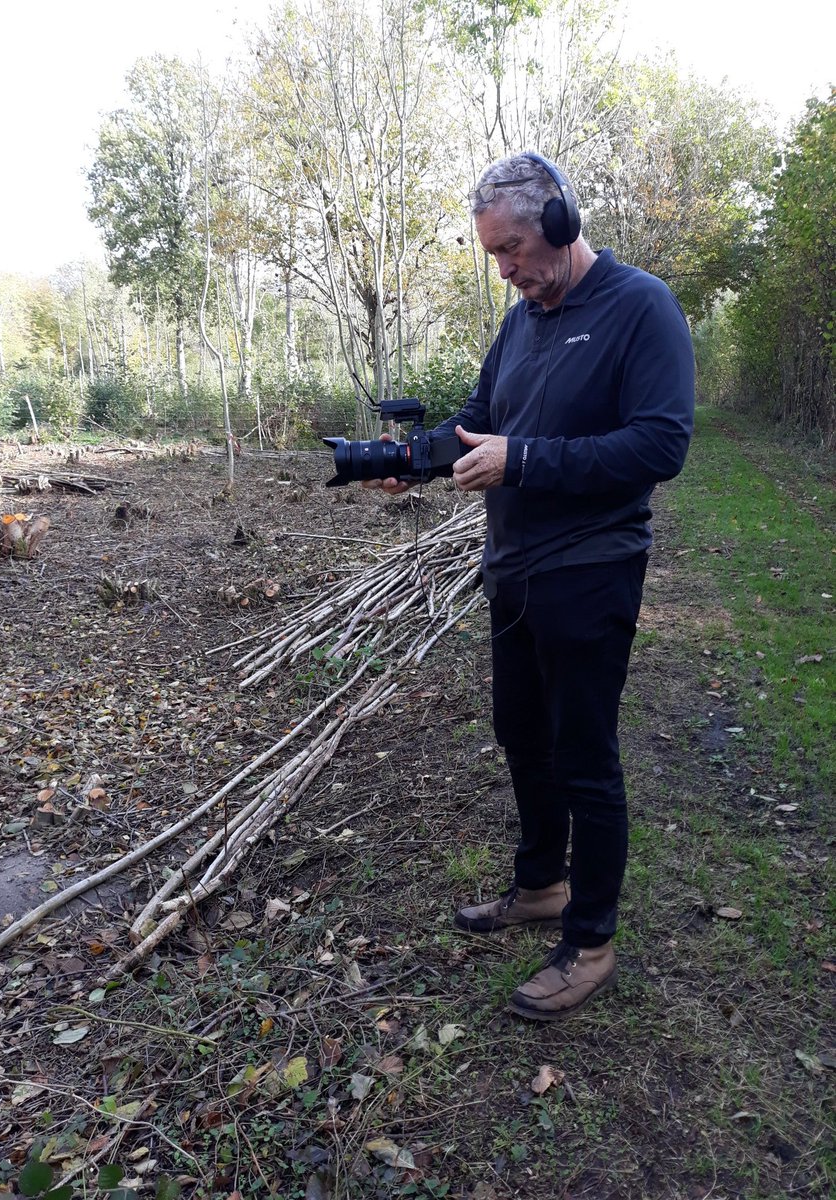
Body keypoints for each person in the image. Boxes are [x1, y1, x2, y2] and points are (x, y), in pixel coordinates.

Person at [365, 152, 695, 1021]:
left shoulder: (641, 308)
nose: (507, 270)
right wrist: (417, 461)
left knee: (585, 759)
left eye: (514, 248)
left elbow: (661, 446)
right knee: (522, 737)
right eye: (494, 257)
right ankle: (543, 884)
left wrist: (527, 460)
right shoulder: (520, 323)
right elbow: (481, 422)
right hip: (511, 570)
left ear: (560, 221)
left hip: (590, 570)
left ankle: (590, 941)